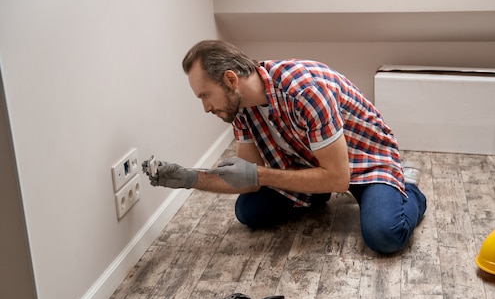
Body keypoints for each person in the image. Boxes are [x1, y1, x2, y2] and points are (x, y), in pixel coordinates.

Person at [147, 40, 426, 254]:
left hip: (363, 160)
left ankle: (410, 189)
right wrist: (191, 178)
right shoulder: (241, 107)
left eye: (206, 95)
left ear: (231, 79)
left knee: (383, 235)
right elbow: (247, 179)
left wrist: (262, 175)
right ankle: (316, 194)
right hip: (311, 161)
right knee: (248, 211)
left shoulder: (304, 90)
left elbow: (339, 178)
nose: (206, 107)